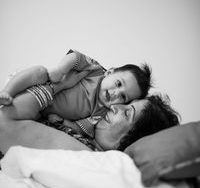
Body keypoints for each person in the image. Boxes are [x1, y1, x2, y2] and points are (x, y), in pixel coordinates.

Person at [0, 49, 152, 138]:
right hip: (40, 84)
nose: (115, 93)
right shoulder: (96, 71)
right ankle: (7, 92)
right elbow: (76, 58)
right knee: (39, 71)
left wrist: (63, 122)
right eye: (118, 84)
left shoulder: (101, 111)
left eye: (123, 97)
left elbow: (81, 127)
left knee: (28, 122)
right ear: (110, 72)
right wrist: (61, 70)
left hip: (41, 109)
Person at [0, 93, 179, 154]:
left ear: (134, 138)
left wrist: (53, 89)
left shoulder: (84, 154)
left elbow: (4, 121)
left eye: (127, 113)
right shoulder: (82, 135)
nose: (115, 106)